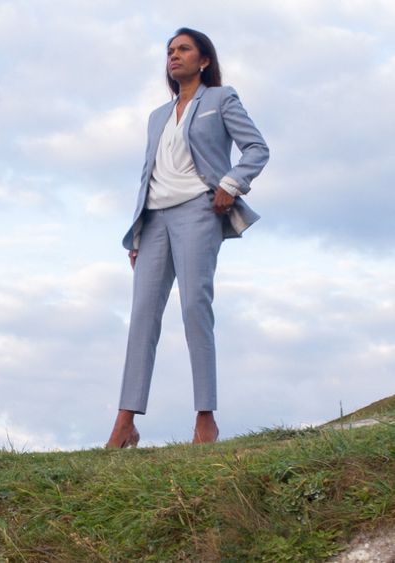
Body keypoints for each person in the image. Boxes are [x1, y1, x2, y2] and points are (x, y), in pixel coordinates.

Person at [106, 28, 269, 448]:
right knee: (142, 314)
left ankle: (205, 419)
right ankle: (125, 422)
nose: (173, 56)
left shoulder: (221, 99)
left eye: (183, 49)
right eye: (169, 51)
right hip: (154, 220)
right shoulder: (156, 116)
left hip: (199, 209)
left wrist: (231, 184)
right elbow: (149, 175)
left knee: (195, 307)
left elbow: (256, 148)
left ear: (203, 60)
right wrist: (138, 234)